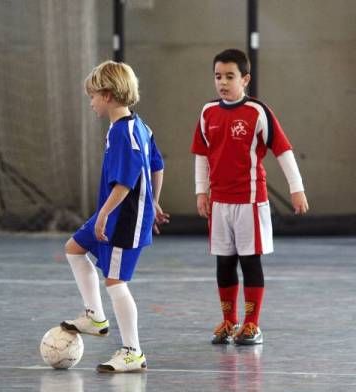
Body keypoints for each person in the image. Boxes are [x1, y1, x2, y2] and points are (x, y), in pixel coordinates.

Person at [191, 49, 309, 345]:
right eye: (218, 76)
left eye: (230, 76)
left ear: (245, 79)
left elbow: (283, 150)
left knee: (250, 262)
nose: (223, 82)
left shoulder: (257, 112)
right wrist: (201, 191)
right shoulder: (207, 112)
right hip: (219, 204)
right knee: (224, 263)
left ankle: (252, 324)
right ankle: (229, 321)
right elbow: (202, 155)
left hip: (250, 203)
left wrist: (297, 189)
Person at [60, 60, 169, 372]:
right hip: (115, 212)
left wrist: (106, 214)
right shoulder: (138, 126)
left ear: (107, 95)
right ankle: (95, 317)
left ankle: (133, 351)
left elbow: (124, 183)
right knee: (74, 248)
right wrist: (156, 201)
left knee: (116, 282)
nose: (91, 102)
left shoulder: (124, 133)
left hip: (125, 218)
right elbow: (158, 166)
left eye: (92, 96)